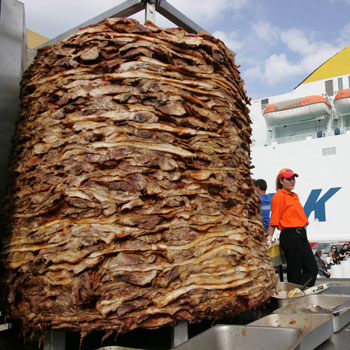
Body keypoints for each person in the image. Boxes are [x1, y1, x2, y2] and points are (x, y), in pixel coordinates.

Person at [267, 168, 317, 287]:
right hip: (290, 236)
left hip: (301, 234)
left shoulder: (294, 196)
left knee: (312, 269)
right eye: (288, 179)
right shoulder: (279, 196)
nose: (292, 181)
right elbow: (274, 219)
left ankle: (297, 293)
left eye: (293, 178)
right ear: (281, 180)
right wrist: (269, 237)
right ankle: (295, 296)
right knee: (295, 271)